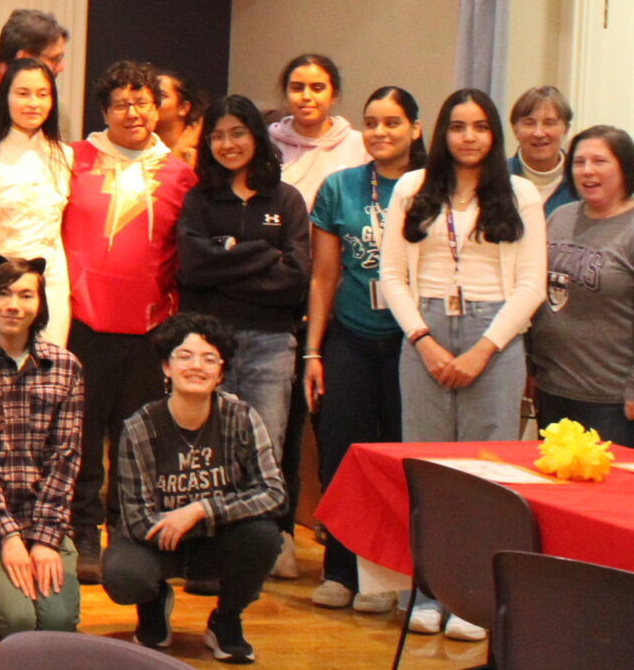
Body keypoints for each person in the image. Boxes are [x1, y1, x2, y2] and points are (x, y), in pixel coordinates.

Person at [380, 88, 546, 637]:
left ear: (494, 135)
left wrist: (483, 349)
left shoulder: (519, 194)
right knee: (428, 473)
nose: (467, 137)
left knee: (488, 476)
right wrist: (424, 340)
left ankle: (476, 600)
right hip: (424, 330)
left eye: (479, 127)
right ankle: (425, 593)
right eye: (457, 126)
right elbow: (392, 277)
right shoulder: (411, 187)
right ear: (442, 134)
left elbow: (531, 285)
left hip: (493, 335)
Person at [61, 60, 196, 580]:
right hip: (83, 323)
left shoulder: (180, 174)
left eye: (142, 102)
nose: (133, 113)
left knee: (134, 437)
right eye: (121, 103)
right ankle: (82, 531)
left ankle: (124, 530)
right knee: (82, 434)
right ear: (105, 111)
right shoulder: (74, 158)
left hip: (148, 329)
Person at [174, 94, 311, 580]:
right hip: (212, 345)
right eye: (218, 135)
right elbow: (192, 266)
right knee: (210, 447)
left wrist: (227, 256)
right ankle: (210, 552)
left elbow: (295, 278)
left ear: (256, 136)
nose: (228, 144)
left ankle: (261, 545)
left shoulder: (286, 199)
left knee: (264, 447)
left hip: (273, 343)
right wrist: (262, 255)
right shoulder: (199, 199)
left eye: (237, 133)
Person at [304, 86, 424, 611]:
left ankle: (388, 577)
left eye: (393, 123)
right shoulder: (339, 187)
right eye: (371, 122)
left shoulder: (429, 190)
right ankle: (341, 570)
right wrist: (312, 352)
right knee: (341, 452)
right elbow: (324, 275)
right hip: (348, 338)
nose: (380, 132)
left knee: (397, 458)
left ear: (415, 130)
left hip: (410, 343)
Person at [108, 313, 288, 664]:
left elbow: (274, 492)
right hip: (158, 540)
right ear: (166, 368)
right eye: (185, 356)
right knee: (122, 574)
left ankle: (226, 621)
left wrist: (199, 511)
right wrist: (176, 523)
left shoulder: (241, 416)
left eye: (209, 359)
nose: (197, 366)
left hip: (216, 538)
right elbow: (135, 518)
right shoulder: (140, 426)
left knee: (264, 537)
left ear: (221, 373)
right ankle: (152, 605)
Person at [0, 258, 83, 639]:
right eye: (3, 294)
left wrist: (45, 539)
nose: (13, 305)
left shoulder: (65, 367)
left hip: (43, 515)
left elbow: (66, 457)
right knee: (18, 625)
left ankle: (19, 558)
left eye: (26, 295)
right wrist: (8, 534)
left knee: (57, 624)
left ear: (40, 303)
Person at [0, 58, 73, 350]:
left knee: (46, 372)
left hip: (50, 281)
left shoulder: (64, 156)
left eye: (42, 94)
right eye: (22, 93)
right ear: (5, 97)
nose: (33, 103)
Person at [535, 126, 634, 447]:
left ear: (625, 167)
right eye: (579, 162)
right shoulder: (560, 216)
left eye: (599, 161)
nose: (587, 171)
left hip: (612, 400)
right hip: (553, 386)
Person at [271, 54, 367, 202]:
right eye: (297, 88)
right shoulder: (266, 143)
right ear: (286, 94)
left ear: (333, 95)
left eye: (317, 88)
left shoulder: (361, 146)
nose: (306, 96)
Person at [510, 86, 578, 216]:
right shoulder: (496, 179)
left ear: (566, 129)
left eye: (549, 123)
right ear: (515, 130)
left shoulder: (581, 182)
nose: (539, 133)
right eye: (529, 123)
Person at [154, 70, 206, 168]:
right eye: (151, 94)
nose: (153, 100)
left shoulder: (201, 153)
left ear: (183, 108)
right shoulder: (135, 147)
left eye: (161, 95)